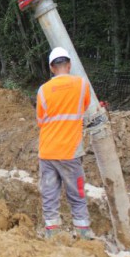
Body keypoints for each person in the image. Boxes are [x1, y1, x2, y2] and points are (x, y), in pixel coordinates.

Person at [36, 47, 93, 239]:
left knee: (50, 196)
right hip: (70, 152)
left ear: (52, 68)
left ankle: (52, 235)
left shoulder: (43, 91)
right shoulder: (82, 85)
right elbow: (84, 107)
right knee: (76, 195)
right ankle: (83, 234)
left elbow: (40, 121)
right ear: (69, 65)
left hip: (47, 152)